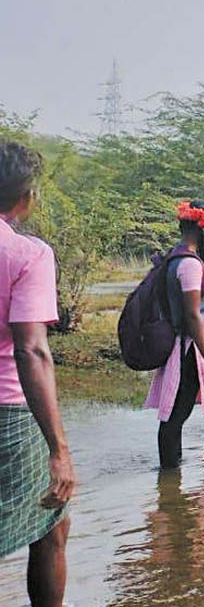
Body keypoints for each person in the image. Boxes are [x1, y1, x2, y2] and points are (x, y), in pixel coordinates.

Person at [0, 141, 74, 607]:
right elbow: (31, 350)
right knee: (52, 522)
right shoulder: (27, 254)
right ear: (26, 197)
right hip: (9, 412)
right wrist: (59, 449)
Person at [145, 200, 204, 469]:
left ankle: (170, 481)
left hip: (184, 346)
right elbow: (193, 315)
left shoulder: (176, 257)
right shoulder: (190, 265)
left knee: (175, 414)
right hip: (189, 350)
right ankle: (169, 475)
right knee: (175, 415)